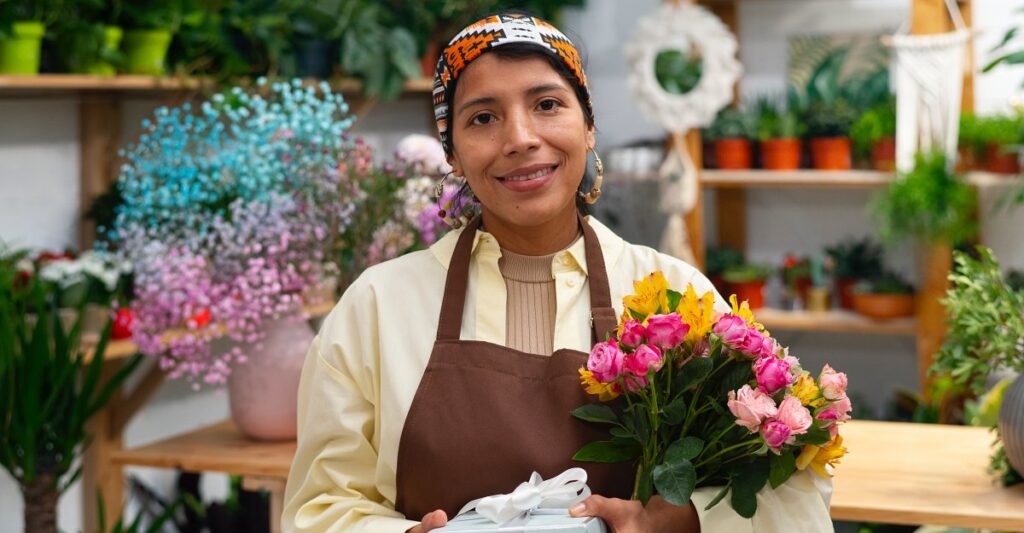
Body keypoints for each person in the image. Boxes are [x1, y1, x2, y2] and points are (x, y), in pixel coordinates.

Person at [282, 12, 833, 533]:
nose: (520, 137)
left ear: (589, 127)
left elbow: (794, 489)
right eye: (483, 117)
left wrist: (685, 521)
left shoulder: (676, 299)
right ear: (452, 154)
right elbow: (319, 508)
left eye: (546, 104)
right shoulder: (377, 307)